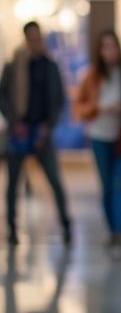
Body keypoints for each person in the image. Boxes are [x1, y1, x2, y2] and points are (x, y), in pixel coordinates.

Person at [0, 22, 72, 247]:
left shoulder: (50, 66)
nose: (34, 41)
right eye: (30, 37)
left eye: (37, 37)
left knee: (54, 180)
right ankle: (12, 228)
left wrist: (47, 126)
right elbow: (2, 96)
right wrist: (14, 121)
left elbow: (58, 99)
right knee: (13, 183)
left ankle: (66, 225)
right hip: (19, 130)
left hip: (42, 130)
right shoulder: (14, 66)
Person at [74, 29, 121, 254]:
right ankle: (113, 231)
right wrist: (101, 108)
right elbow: (79, 107)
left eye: (113, 46)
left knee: (120, 185)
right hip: (100, 135)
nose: (109, 51)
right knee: (106, 186)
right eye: (105, 46)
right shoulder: (92, 76)